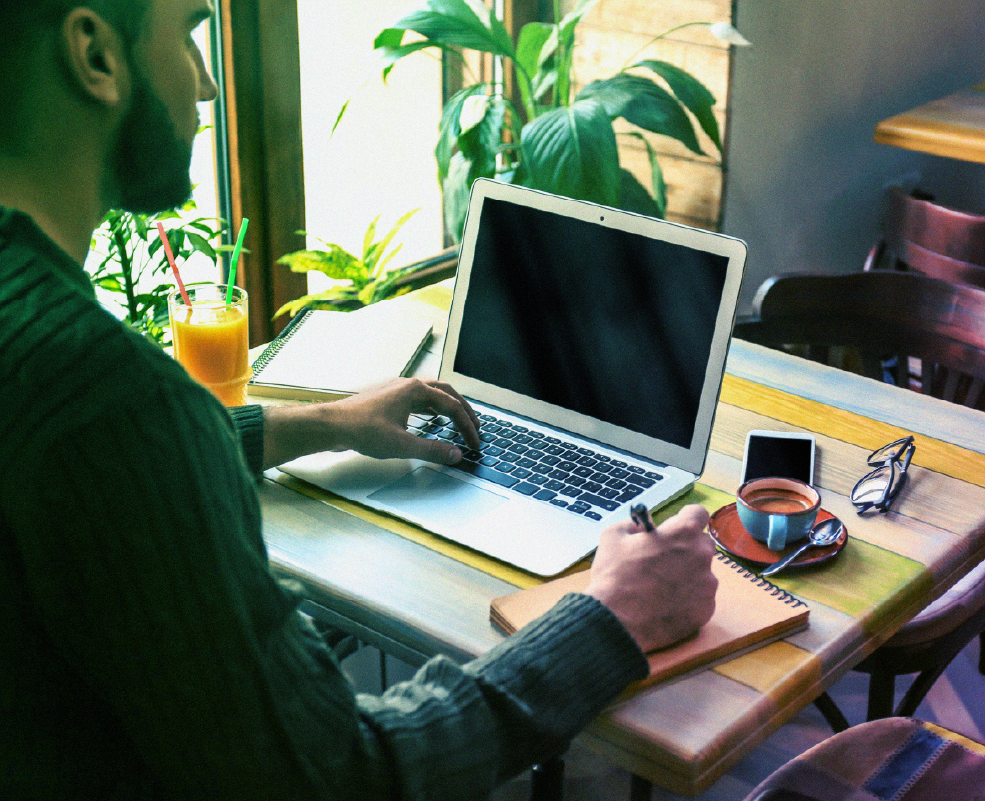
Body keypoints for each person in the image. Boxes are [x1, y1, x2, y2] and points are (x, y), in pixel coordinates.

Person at [0, 1, 719, 798]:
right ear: (94, 53)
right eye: (193, 33)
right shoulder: (111, 398)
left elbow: (90, 464)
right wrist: (608, 617)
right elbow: (340, 776)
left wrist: (319, 422)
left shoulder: (54, 363)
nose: (206, 86)